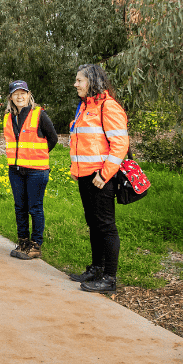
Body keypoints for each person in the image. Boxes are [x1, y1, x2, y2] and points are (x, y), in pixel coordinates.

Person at [68, 63, 130, 293]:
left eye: (79, 80)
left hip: (101, 177)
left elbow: (120, 144)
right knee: (93, 224)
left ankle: (109, 278)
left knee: (106, 226)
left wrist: (104, 174)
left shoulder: (109, 107)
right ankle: (96, 268)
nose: (75, 84)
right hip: (85, 175)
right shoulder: (84, 107)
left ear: (92, 81)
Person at [4, 80, 59, 260]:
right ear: (11, 97)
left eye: (23, 93)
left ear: (29, 95)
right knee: (20, 207)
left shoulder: (39, 114)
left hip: (36, 170)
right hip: (16, 169)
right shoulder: (8, 117)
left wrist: (38, 155)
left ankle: (35, 245)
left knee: (34, 208)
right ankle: (23, 242)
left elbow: (53, 138)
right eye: (16, 93)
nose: (20, 96)